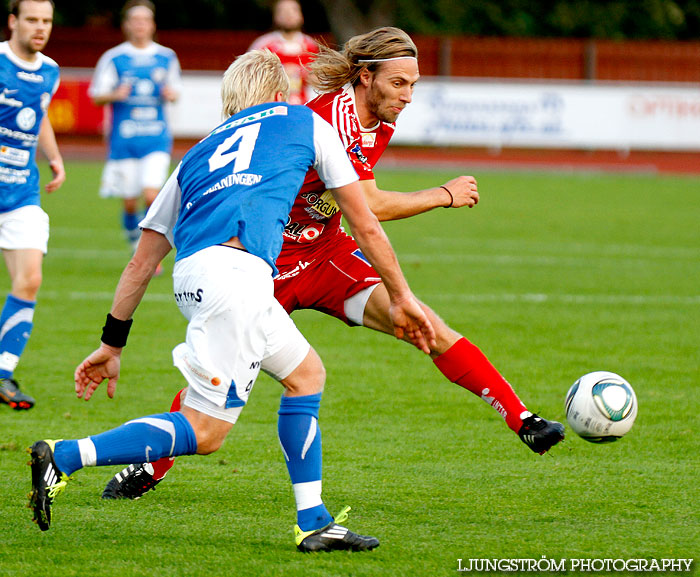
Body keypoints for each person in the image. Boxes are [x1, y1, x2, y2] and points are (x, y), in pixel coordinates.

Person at [104, 27, 566, 500]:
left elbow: (345, 206)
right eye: (399, 83)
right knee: (222, 375)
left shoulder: (382, 118)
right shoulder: (332, 115)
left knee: (422, 323)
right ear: (366, 77)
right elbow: (368, 206)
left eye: (414, 84)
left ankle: (522, 418)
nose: (408, 96)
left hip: (326, 253)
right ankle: (150, 464)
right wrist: (442, 195)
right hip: (266, 262)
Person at [27, 50, 436, 553]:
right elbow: (365, 222)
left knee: (306, 375)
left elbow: (140, 264)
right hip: (236, 278)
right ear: (279, 93)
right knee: (206, 431)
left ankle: (314, 521)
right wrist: (401, 295)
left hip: (200, 279)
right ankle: (65, 455)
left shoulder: (197, 154)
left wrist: (112, 344)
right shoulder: (305, 120)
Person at [0, 0, 64, 411]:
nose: (40, 28)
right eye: (32, 20)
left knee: (29, 280)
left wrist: (54, 157)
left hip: (22, 191)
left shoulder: (51, 70)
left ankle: (3, 375)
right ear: (13, 21)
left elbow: (38, 115)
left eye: (46, 21)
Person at [89, 0, 181, 253]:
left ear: (152, 26)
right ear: (127, 25)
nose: (140, 25)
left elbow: (176, 92)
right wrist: (115, 94)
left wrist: (170, 93)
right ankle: (134, 243)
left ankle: (148, 252)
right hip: (124, 140)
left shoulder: (166, 56)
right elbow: (96, 94)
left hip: (155, 138)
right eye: (135, 20)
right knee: (130, 202)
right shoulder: (114, 57)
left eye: (145, 20)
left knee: (152, 196)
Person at [248, 0, 318, 105]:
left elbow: (321, 80)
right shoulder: (263, 45)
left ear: (301, 16)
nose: (288, 15)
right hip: (270, 108)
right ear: (275, 17)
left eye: (293, 10)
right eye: (283, 11)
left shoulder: (311, 46)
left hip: (302, 108)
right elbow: (249, 78)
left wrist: (302, 73)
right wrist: (280, 72)